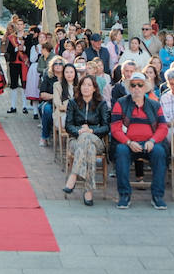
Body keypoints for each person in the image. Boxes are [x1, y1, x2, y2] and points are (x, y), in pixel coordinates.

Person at [110, 71, 168, 210]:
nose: (136, 88)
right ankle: (124, 195)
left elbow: (163, 127)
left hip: (150, 144)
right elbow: (115, 128)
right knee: (121, 152)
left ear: (145, 87)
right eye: (133, 85)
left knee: (160, 153)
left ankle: (157, 196)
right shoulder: (121, 103)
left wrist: (153, 141)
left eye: (140, 85)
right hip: (128, 143)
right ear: (129, 87)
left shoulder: (155, 105)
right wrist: (128, 142)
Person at [62, 74, 109, 206]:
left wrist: (91, 131)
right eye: (83, 84)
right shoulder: (73, 103)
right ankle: (88, 190)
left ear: (94, 88)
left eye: (89, 85)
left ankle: (74, 175)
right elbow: (68, 125)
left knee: (88, 138)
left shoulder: (101, 104)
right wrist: (79, 131)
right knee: (89, 147)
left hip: (97, 140)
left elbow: (106, 127)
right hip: (76, 141)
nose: (86, 88)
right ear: (79, 87)